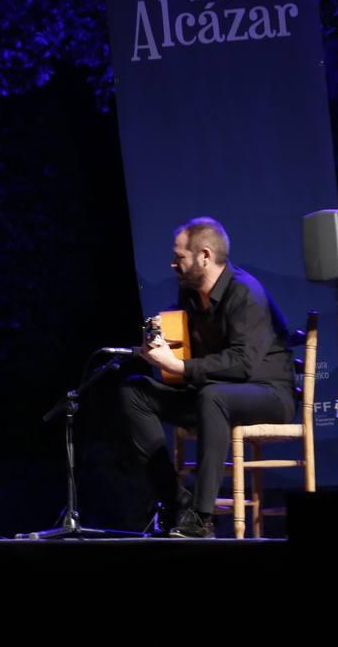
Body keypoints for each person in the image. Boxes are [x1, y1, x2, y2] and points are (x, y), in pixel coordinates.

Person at [119, 217, 296, 538]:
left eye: (180, 257)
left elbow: (243, 365)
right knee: (135, 391)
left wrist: (180, 367)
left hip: (268, 394)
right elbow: (182, 343)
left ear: (204, 256)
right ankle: (176, 501)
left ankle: (201, 518)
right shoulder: (188, 293)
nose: (173, 263)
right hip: (213, 395)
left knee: (212, 396)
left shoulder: (245, 293)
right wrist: (158, 343)